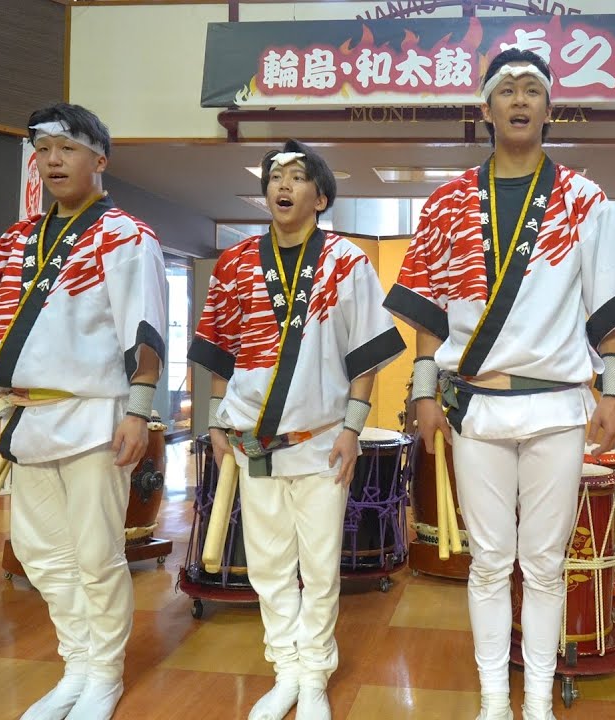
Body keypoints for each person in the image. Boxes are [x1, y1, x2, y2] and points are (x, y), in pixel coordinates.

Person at [384, 48, 615, 720]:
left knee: (547, 562)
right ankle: (494, 701)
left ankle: (536, 701)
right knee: (490, 561)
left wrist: (612, 392)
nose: (521, 100)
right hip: (477, 405)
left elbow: (611, 310)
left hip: (558, 404)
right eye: (507, 90)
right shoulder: (447, 202)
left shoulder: (583, 199)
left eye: (534, 89)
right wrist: (421, 391)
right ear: (486, 109)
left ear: (550, 107)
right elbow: (429, 316)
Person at [0, 103, 167, 720]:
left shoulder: (127, 235)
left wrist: (139, 411)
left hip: (95, 413)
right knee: (40, 552)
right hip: (24, 417)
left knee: (97, 552)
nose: (52, 161)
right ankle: (77, 661)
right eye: (43, 150)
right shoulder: (18, 239)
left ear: (99, 159)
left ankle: (105, 673)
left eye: (66, 149)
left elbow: (145, 329)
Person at [190, 140, 405, 720]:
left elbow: (365, 357)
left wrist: (353, 430)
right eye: (274, 177)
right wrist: (216, 419)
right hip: (252, 445)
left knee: (318, 563)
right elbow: (217, 352)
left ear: (321, 195)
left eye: (296, 176)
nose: (281, 185)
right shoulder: (235, 264)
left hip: (318, 442)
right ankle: (285, 668)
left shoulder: (347, 262)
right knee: (266, 566)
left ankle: (315, 675)